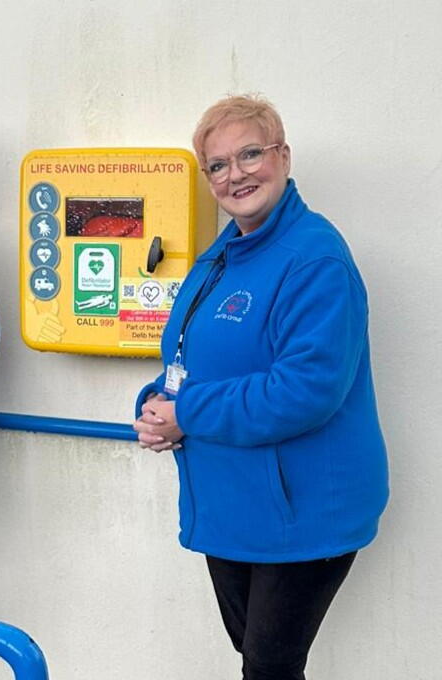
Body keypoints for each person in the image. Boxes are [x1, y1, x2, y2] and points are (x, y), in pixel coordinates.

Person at [133, 94, 388, 680]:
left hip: (300, 511)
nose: (235, 174)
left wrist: (187, 413)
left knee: (269, 668)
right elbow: (186, 359)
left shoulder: (315, 259)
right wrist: (156, 402)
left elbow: (307, 390)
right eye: (218, 165)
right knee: (258, 658)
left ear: (284, 157)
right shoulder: (220, 257)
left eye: (250, 154)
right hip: (232, 504)